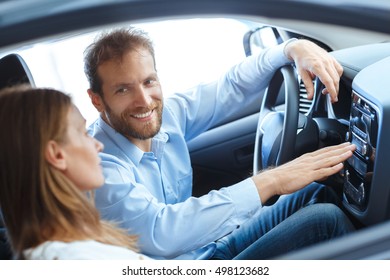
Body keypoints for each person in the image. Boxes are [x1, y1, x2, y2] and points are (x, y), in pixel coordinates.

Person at [84, 28, 356, 260]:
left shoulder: (166, 116)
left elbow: (231, 87)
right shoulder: (100, 168)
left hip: (207, 248)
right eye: (123, 89)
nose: (143, 100)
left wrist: (292, 48)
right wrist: (271, 181)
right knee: (326, 221)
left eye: (148, 81)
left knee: (315, 192)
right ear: (97, 100)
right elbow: (162, 232)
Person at [0, 85, 151, 260]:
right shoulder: (75, 258)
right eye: (84, 133)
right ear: (57, 155)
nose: (98, 145)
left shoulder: (66, 249)